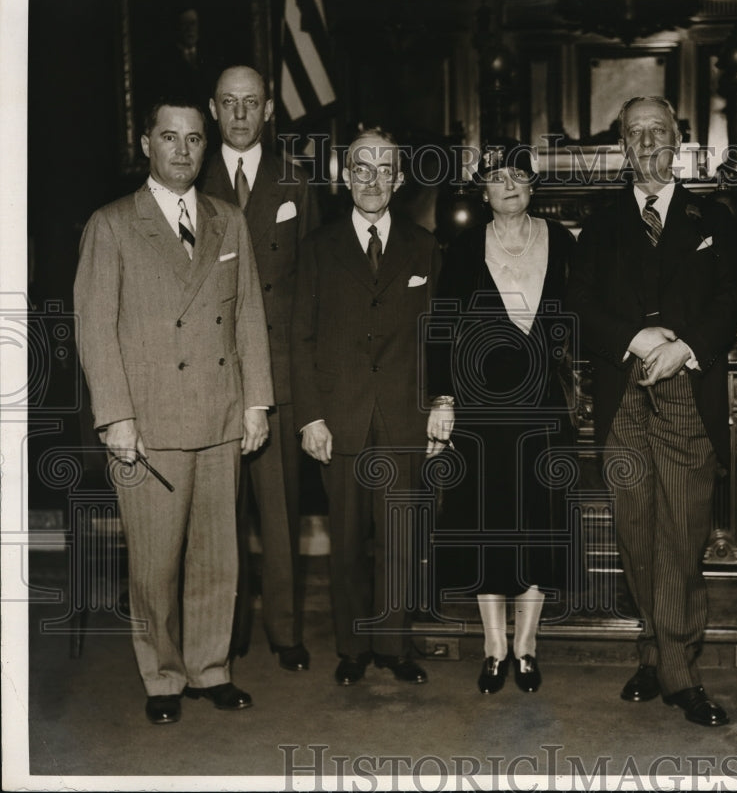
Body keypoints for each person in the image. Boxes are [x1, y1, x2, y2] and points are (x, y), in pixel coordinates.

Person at [73, 98, 273, 725]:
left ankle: (210, 669)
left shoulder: (227, 218)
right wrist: (116, 418)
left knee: (219, 558)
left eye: (193, 139)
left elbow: (247, 315)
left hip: (219, 416)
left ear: (204, 146)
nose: (183, 151)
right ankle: (161, 677)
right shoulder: (111, 224)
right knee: (155, 564)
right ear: (146, 145)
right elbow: (94, 329)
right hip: (148, 423)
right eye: (169, 138)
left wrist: (257, 402)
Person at [567, 96, 737, 727]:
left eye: (658, 132)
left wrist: (684, 346)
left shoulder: (714, 217)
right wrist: (639, 341)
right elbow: (579, 298)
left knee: (682, 533)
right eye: (634, 134)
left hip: (687, 393)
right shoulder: (599, 223)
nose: (647, 143)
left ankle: (679, 670)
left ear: (679, 141)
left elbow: (732, 295)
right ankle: (654, 649)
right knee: (636, 532)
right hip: (623, 395)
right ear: (623, 146)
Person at [291, 128, 440, 686]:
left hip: (403, 417)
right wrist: (310, 417)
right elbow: (300, 340)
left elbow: (435, 336)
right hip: (341, 418)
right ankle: (353, 647)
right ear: (344, 177)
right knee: (347, 540)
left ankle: (394, 646)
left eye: (384, 170)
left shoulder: (424, 246)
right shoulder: (318, 248)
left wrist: (436, 407)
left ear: (400, 179)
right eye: (361, 168)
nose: (372, 179)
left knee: (400, 538)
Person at [426, 141, 575, 695]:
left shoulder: (561, 242)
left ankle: (527, 648)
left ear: (533, 185)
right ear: (482, 190)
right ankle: (493, 649)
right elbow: (441, 327)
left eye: (519, 175)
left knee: (537, 522)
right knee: (487, 525)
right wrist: (442, 398)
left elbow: (578, 317)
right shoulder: (463, 248)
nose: (508, 184)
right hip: (481, 408)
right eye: (497, 177)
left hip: (541, 406)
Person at [200, 65, 321, 672]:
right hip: (212, 372)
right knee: (220, 514)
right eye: (229, 103)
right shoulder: (190, 178)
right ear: (213, 108)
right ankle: (223, 631)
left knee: (280, 511)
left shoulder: (295, 180)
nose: (241, 114)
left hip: (278, 372)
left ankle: (285, 631)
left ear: (269, 109)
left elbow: (311, 285)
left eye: (251, 103)